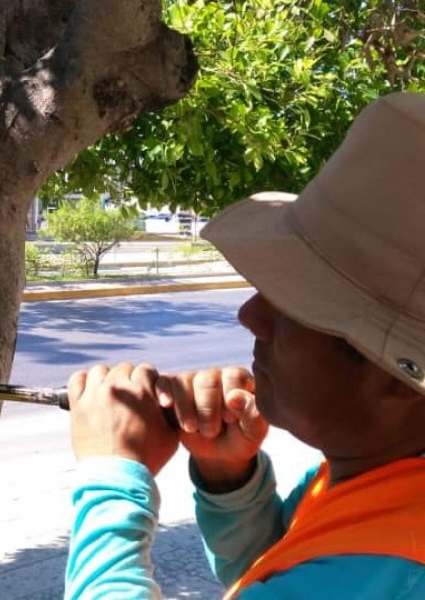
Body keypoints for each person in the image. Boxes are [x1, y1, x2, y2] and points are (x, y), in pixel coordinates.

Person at [63, 91, 425, 599]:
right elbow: (280, 573)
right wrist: (229, 480)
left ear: (399, 380)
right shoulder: (384, 483)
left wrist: (111, 480)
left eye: (300, 304)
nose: (251, 315)